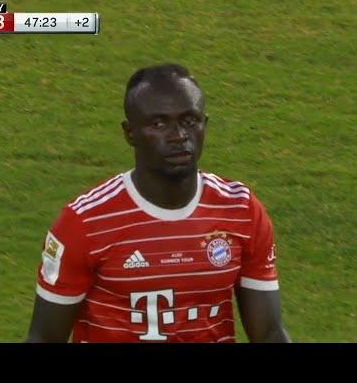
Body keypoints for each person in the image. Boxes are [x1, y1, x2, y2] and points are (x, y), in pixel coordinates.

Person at [26, 63, 291, 343]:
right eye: (158, 123)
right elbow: (43, 337)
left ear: (205, 125)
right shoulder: (85, 223)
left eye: (189, 121)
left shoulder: (241, 211)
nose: (178, 136)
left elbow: (269, 333)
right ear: (130, 133)